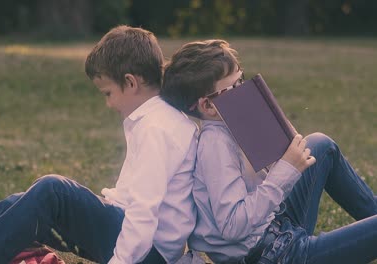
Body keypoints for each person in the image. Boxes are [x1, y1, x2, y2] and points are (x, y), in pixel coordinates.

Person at [0, 26, 198, 264]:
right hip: (133, 236)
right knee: (19, 203)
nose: (108, 103)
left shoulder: (158, 128)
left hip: (147, 252)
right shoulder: (154, 119)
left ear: (131, 83)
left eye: (107, 92)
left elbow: (144, 214)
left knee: (52, 189)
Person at [160, 39, 377, 264]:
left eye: (241, 79)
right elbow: (233, 226)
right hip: (275, 255)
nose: (243, 90)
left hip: (276, 229)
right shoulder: (215, 146)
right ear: (208, 106)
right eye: (234, 87)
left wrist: (284, 149)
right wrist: (285, 170)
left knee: (321, 145)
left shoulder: (232, 125)